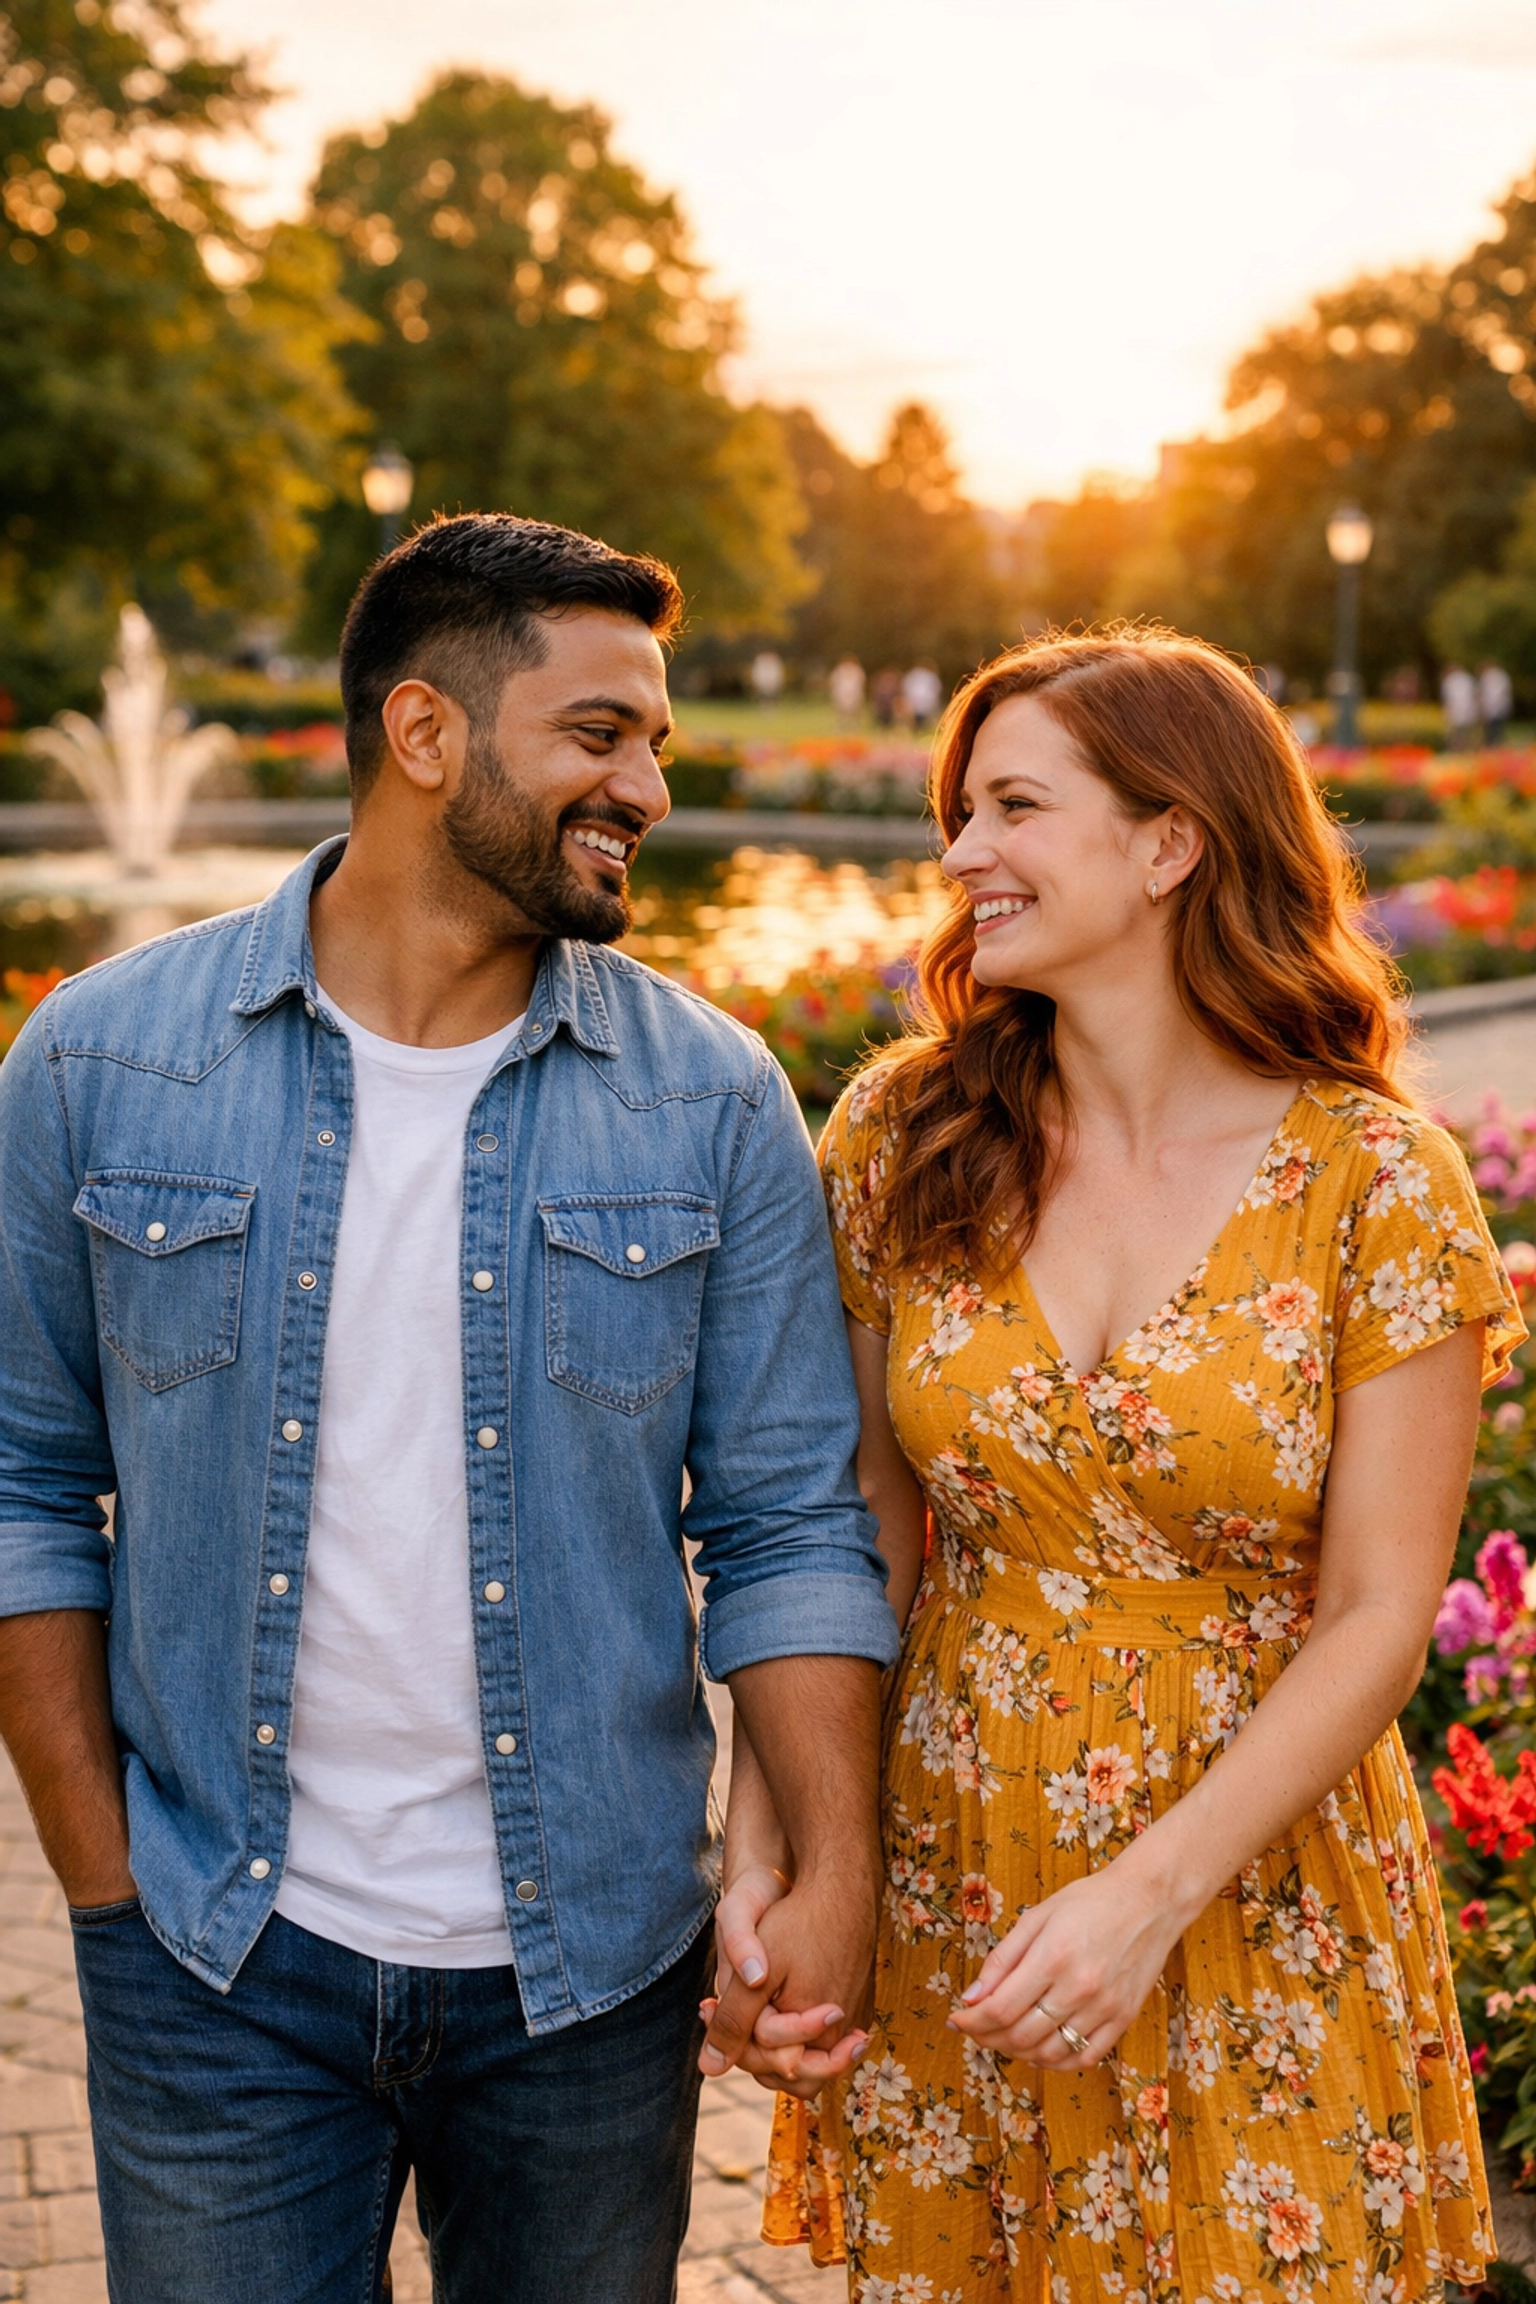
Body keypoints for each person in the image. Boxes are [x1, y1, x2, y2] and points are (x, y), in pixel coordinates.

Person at [0, 512, 898, 2302]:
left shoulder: (709, 1098)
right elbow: (27, 1482)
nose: (645, 781)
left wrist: (832, 1861)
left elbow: (791, 1519)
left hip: (591, 1971)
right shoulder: (98, 1061)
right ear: (426, 734)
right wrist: (106, 1889)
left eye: (654, 738)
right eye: (598, 732)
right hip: (214, 1958)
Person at [705, 630, 1523, 2299]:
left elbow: (1380, 1607)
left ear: (1170, 840)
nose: (959, 854)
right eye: (959, 808)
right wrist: (772, 1845)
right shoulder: (898, 1136)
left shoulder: (1378, 1178)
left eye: (1013, 804)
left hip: (1251, 1877)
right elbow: (847, 1526)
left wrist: (1146, 1893)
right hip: (955, 1862)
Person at [1441, 661, 1479, 751]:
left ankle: (1457, 748)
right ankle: (1467, 748)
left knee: (1456, 731)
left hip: (1457, 709)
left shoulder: (1449, 680)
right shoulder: (1467, 678)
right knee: (1467, 731)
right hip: (1466, 708)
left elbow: (1447, 698)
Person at [900, 661, 943, 732]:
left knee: (921, 720)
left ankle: (919, 730)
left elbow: (906, 687)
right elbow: (937, 689)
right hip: (924, 702)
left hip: (919, 702)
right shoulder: (930, 676)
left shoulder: (913, 675)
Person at [1479, 659, 1514, 747]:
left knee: (1492, 727)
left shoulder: (1487, 676)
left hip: (1493, 705)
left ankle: (1494, 744)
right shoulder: (1501, 675)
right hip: (1498, 704)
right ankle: (1497, 743)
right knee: (1497, 726)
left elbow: (1484, 692)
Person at [829, 655, 866, 723]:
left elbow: (862, 681)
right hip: (841, 692)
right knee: (841, 710)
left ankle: (853, 725)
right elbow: (833, 681)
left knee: (854, 710)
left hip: (854, 693)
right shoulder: (839, 670)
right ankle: (843, 724)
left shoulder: (857, 670)